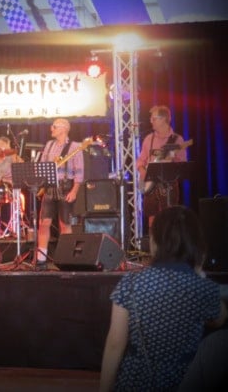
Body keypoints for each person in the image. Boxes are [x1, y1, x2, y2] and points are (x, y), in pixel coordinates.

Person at [99, 206, 227, 392]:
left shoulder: (130, 283)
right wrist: (200, 275)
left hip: (136, 381)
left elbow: (114, 345)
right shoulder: (202, 288)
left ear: (154, 242)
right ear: (196, 244)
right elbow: (220, 319)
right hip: (184, 379)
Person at [37, 118, 83, 268]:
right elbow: (42, 166)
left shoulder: (75, 147)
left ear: (64, 129)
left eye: (54, 126)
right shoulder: (49, 145)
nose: (51, 129)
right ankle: (41, 259)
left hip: (66, 187)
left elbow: (79, 172)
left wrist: (74, 191)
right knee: (44, 223)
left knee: (65, 224)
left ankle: (67, 258)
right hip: (50, 188)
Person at [136, 105, 188, 231]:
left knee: (169, 218)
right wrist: (143, 172)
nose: (151, 121)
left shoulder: (176, 139)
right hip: (150, 186)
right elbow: (140, 161)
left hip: (169, 186)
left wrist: (172, 161)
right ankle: (154, 247)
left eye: (154, 119)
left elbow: (182, 164)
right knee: (152, 217)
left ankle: (169, 246)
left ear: (163, 119)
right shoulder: (149, 139)